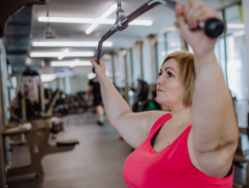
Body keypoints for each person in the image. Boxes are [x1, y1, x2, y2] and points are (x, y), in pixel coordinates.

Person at [90, 0, 238, 187]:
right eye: (161, 73)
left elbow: (220, 136)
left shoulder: (198, 137)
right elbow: (120, 116)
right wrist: (102, 76)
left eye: (169, 74)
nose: (159, 80)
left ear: (192, 83)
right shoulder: (159, 123)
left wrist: (205, 54)